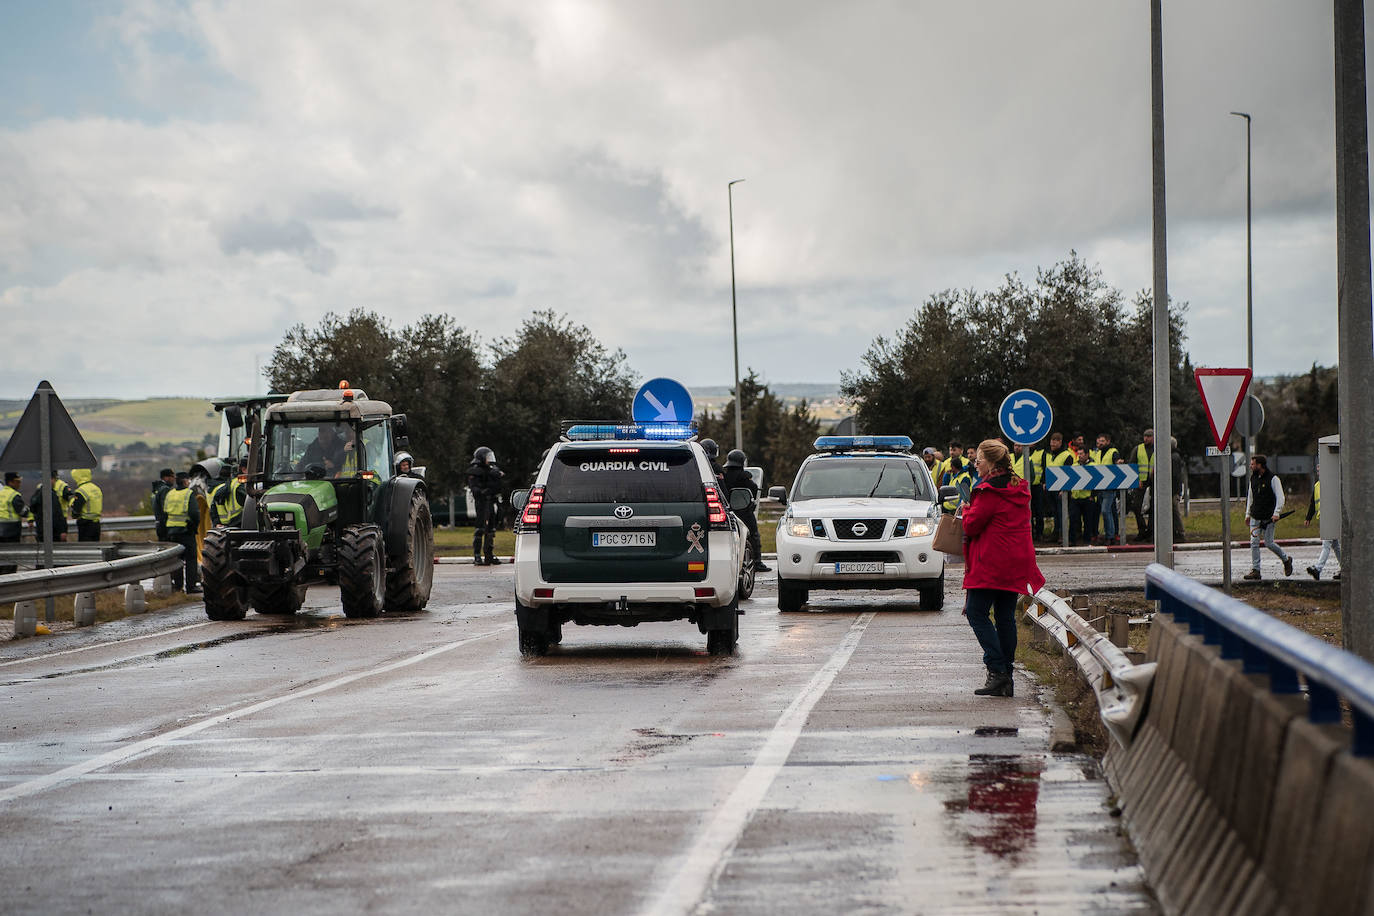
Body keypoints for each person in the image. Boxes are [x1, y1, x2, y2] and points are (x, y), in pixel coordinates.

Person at [961, 440, 1045, 698]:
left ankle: (997, 670)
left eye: (979, 460)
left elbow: (971, 526)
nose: (976, 465)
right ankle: (1006, 677)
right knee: (1005, 616)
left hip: (992, 562)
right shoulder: (1016, 487)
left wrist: (966, 511)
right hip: (1014, 561)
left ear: (992, 463)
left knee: (976, 612)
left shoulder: (989, 492)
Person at [1244, 454, 1293, 581]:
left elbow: (1280, 497)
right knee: (1254, 543)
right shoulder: (1253, 478)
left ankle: (1286, 559)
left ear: (1260, 465)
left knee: (1268, 543)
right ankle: (1256, 570)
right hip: (1255, 515)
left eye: (1253, 464)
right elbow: (1250, 497)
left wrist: (1276, 512)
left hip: (1268, 517)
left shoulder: (1273, 479)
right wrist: (1247, 514)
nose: (1251, 466)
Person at [722, 449, 769, 572]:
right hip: (744, 512)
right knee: (753, 535)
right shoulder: (745, 477)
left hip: (729, 512)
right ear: (742, 462)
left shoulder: (724, 476)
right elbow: (754, 489)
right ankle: (757, 562)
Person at [164, 470, 201, 593]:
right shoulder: (188, 494)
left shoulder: (170, 493)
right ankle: (191, 586)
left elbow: (165, 512)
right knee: (191, 559)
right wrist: (194, 526)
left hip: (172, 531)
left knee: (177, 560)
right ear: (185, 481)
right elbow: (195, 513)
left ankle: (178, 586)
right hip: (186, 530)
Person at [466, 446, 504, 565]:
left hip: (491, 502)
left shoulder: (493, 470)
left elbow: (498, 484)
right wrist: (482, 492)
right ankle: (477, 555)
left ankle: (489, 554)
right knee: (480, 529)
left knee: (491, 529)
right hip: (482, 503)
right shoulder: (475, 471)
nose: (489, 459)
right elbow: (474, 488)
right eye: (487, 457)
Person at [1305, 462, 1341, 581]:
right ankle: (1346, 568)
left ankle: (1318, 568)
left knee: (1326, 544)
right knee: (1335, 545)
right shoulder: (1317, 485)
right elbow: (1313, 503)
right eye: (1318, 470)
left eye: (1320, 470)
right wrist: (1308, 517)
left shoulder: (1332, 484)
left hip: (1332, 518)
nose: (1319, 472)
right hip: (1324, 518)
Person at [1090, 434, 1121, 545]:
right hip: (1100, 488)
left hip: (1109, 487)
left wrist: (1118, 462)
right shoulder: (1097, 453)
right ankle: (1111, 535)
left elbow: (1116, 461)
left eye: (1102, 441)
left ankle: (1110, 536)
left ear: (1108, 441)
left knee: (1105, 511)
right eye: (1099, 441)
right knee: (1110, 512)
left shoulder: (1113, 451)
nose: (1100, 443)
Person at [1043, 432, 1074, 542]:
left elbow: (1069, 474)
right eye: (1051, 441)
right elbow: (1045, 469)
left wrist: (1064, 489)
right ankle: (1056, 534)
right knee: (1055, 512)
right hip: (1050, 488)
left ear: (1060, 442)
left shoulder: (1067, 456)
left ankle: (1063, 534)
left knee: (1062, 513)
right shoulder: (1048, 454)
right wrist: (1044, 482)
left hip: (1062, 490)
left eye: (1055, 441)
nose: (1052, 444)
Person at [1128, 429, 1155, 542]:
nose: (1146, 438)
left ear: (1154, 437)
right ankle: (1142, 530)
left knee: (1155, 507)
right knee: (1136, 506)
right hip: (1141, 481)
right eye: (1145, 436)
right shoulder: (1138, 449)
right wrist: (1136, 479)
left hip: (1155, 481)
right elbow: (1132, 465)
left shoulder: (1158, 448)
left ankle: (1151, 531)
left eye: (1148, 436)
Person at [30, 473, 69, 542]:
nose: (55, 482)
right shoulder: (51, 494)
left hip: (41, 530)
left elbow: (32, 509)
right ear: (50, 479)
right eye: (54, 480)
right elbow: (57, 514)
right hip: (53, 532)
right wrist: (62, 530)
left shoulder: (37, 493)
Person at [210, 460, 248, 527]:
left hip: (228, 526)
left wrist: (216, 522)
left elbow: (213, 505)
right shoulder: (241, 486)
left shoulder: (231, 484)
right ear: (244, 470)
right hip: (239, 524)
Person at [69, 469, 103, 542]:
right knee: (95, 548)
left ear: (78, 477)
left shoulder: (81, 490)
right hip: (96, 523)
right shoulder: (96, 488)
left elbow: (77, 509)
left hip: (86, 524)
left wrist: (73, 510)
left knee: (85, 548)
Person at [1, 472, 28, 542]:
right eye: (17, 482)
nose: (19, 484)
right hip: (11, 529)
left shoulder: (1, 493)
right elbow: (23, 512)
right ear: (10, 482)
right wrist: (27, 510)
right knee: (12, 550)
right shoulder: (14, 495)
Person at [152, 467, 175, 541]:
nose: (173, 479)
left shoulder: (157, 488)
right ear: (166, 477)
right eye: (172, 476)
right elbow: (166, 508)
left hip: (159, 524)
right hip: (165, 525)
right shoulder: (165, 489)